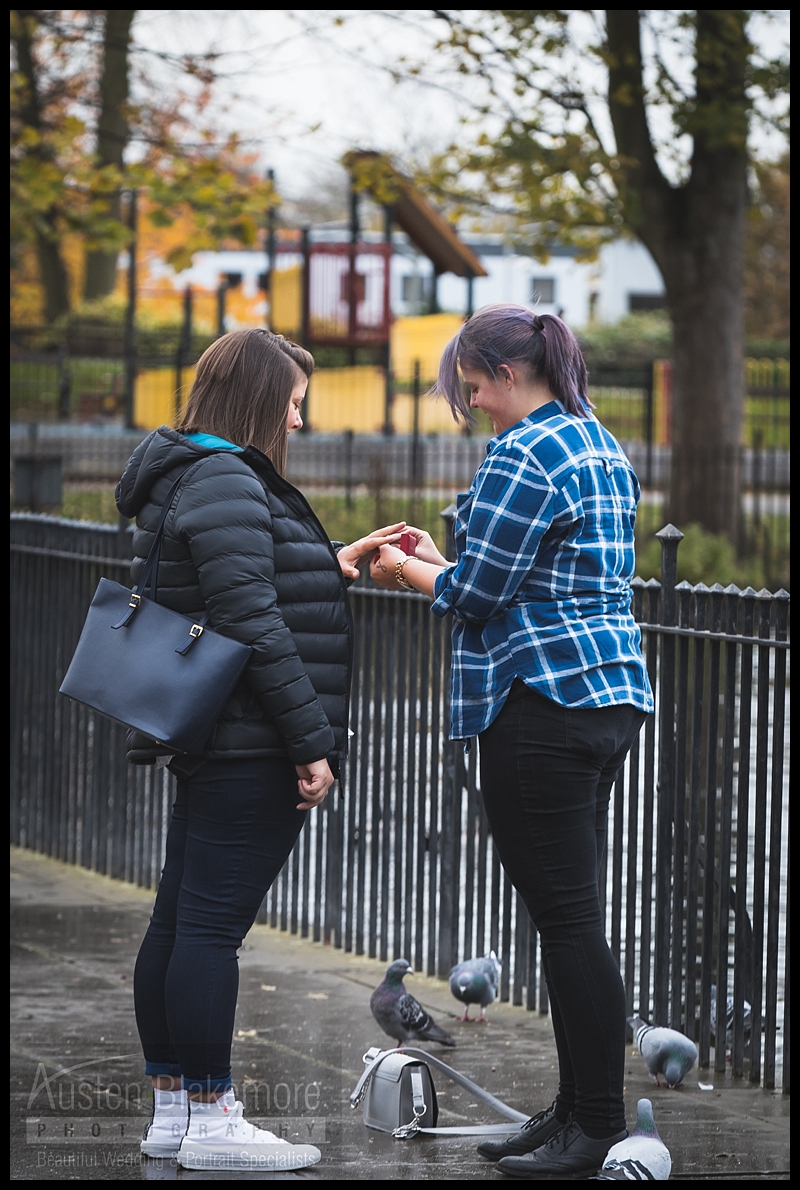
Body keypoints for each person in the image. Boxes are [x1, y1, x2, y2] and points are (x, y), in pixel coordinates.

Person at [369, 305, 654, 1180]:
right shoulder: (597, 441)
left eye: (475, 383)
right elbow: (539, 571)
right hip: (606, 696)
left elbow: (477, 593)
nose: (472, 399)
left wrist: (404, 566)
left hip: (541, 704)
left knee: (567, 926)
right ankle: (572, 1110)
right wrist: (439, 559)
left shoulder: (524, 450)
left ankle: (597, 1125)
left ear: (507, 373)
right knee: (572, 921)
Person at [115, 328, 404, 1173]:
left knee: (178, 920)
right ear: (257, 404)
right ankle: (213, 1118)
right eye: (293, 404)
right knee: (208, 930)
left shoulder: (191, 474)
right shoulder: (229, 479)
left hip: (218, 731)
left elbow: (239, 585)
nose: (299, 423)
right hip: (250, 741)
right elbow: (251, 619)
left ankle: (174, 1110)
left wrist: (331, 564)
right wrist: (310, 742)